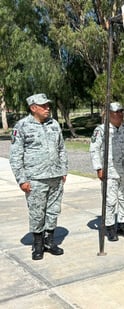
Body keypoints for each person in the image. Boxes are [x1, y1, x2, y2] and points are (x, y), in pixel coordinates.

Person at [9, 93, 68, 260]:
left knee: (53, 211)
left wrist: (63, 170)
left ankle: (50, 242)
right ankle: (38, 245)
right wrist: (22, 180)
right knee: (37, 212)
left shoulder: (54, 124)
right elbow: (15, 156)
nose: (47, 108)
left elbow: (61, 149)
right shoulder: (22, 126)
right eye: (43, 106)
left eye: (48, 105)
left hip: (55, 177)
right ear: (33, 108)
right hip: (35, 178)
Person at [89, 102, 124, 241]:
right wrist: (99, 168)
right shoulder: (101, 130)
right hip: (110, 172)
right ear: (109, 114)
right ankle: (110, 228)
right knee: (110, 201)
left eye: (120, 112)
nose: (118, 115)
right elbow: (94, 150)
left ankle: (122, 225)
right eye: (115, 112)